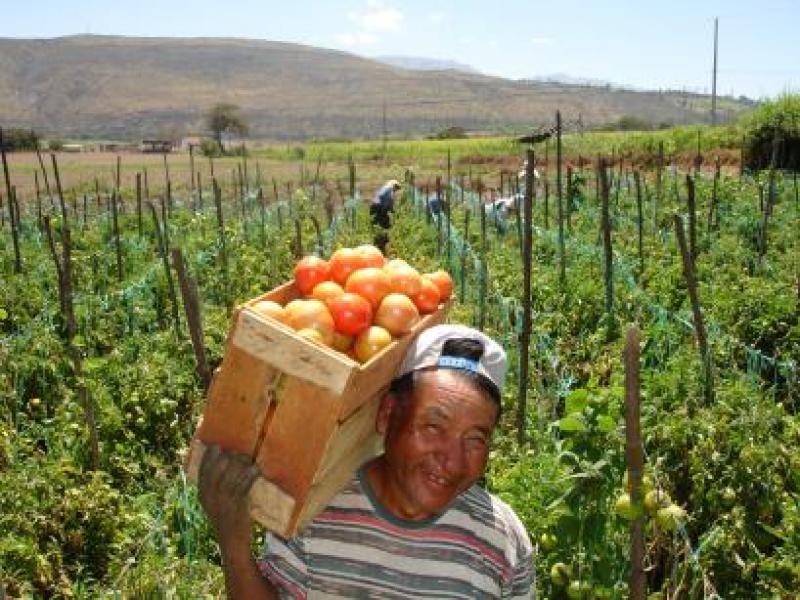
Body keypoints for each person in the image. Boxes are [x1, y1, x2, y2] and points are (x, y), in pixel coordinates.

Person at [198, 324, 535, 599]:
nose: (452, 461)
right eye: (433, 427)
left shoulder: (501, 540)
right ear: (388, 416)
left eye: (475, 439)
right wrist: (234, 542)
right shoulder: (317, 511)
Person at [369, 179, 402, 254]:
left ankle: (378, 244)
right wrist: (391, 211)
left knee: (376, 225)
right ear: (394, 186)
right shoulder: (389, 189)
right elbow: (388, 202)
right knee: (385, 226)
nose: (395, 191)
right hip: (380, 208)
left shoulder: (384, 188)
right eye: (396, 189)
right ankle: (381, 246)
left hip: (374, 207)